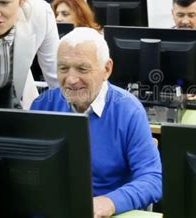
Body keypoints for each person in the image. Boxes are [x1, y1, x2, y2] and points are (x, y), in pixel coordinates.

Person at [30, 27, 162, 216]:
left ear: (106, 69)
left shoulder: (128, 110)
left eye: (82, 69)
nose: (71, 79)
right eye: (63, 68)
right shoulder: (42, 105)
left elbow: (153, 178)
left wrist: (110, 202)